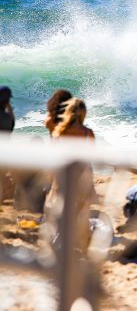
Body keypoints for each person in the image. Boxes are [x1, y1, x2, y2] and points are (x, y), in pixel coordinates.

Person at [46, 98, 97, 254]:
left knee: (62, 208)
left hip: (62, 173)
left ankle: (60, 240)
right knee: (80, 212)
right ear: (84, 113)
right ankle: (78, 243)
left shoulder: (60, 131)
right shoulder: (88, 133)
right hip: (81, 175)